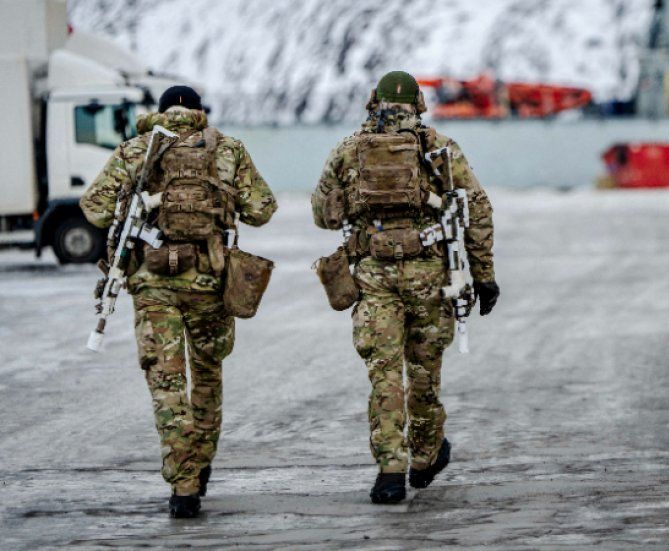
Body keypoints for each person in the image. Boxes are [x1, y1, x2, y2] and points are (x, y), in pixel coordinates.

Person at [80, 86, 278, 518]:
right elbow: (263, 208)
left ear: (161, 111)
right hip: (210, 280)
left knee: (167, 384)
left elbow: (93, 209)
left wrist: (140, 204)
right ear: (199, 112)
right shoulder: (227, 149)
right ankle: (202, 463)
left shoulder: (137, 149)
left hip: (153, 286)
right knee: (207, 373)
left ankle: (183, 485)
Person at [311, 71, 499, 504]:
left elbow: (322, 214)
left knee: (384, 374)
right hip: (429, 275)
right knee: (423, 372)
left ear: (373, 102)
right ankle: (425, 456)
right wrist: (483, 273)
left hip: (373, 277)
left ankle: (389, 471)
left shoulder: (348, 149)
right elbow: (477, 210)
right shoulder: (439, 149)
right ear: (418, 102)